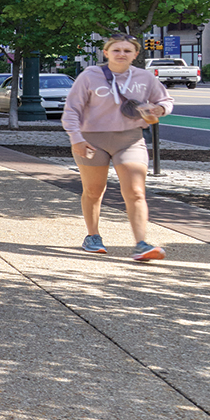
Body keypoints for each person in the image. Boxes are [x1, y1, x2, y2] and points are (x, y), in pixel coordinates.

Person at [66, 33, 172, 260]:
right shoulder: (89, 76)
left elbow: (166, 100)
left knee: (135, 191)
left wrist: (160, 110)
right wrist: (76, 138)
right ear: (106, 53)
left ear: (135, 54)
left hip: (130, 139)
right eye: (116, 50)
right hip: (92, 139)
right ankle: (92, 236)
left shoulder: (145, 77)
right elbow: (72, 110)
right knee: (94, 191)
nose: (121, 54)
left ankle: (141, 244)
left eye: (127, 50)